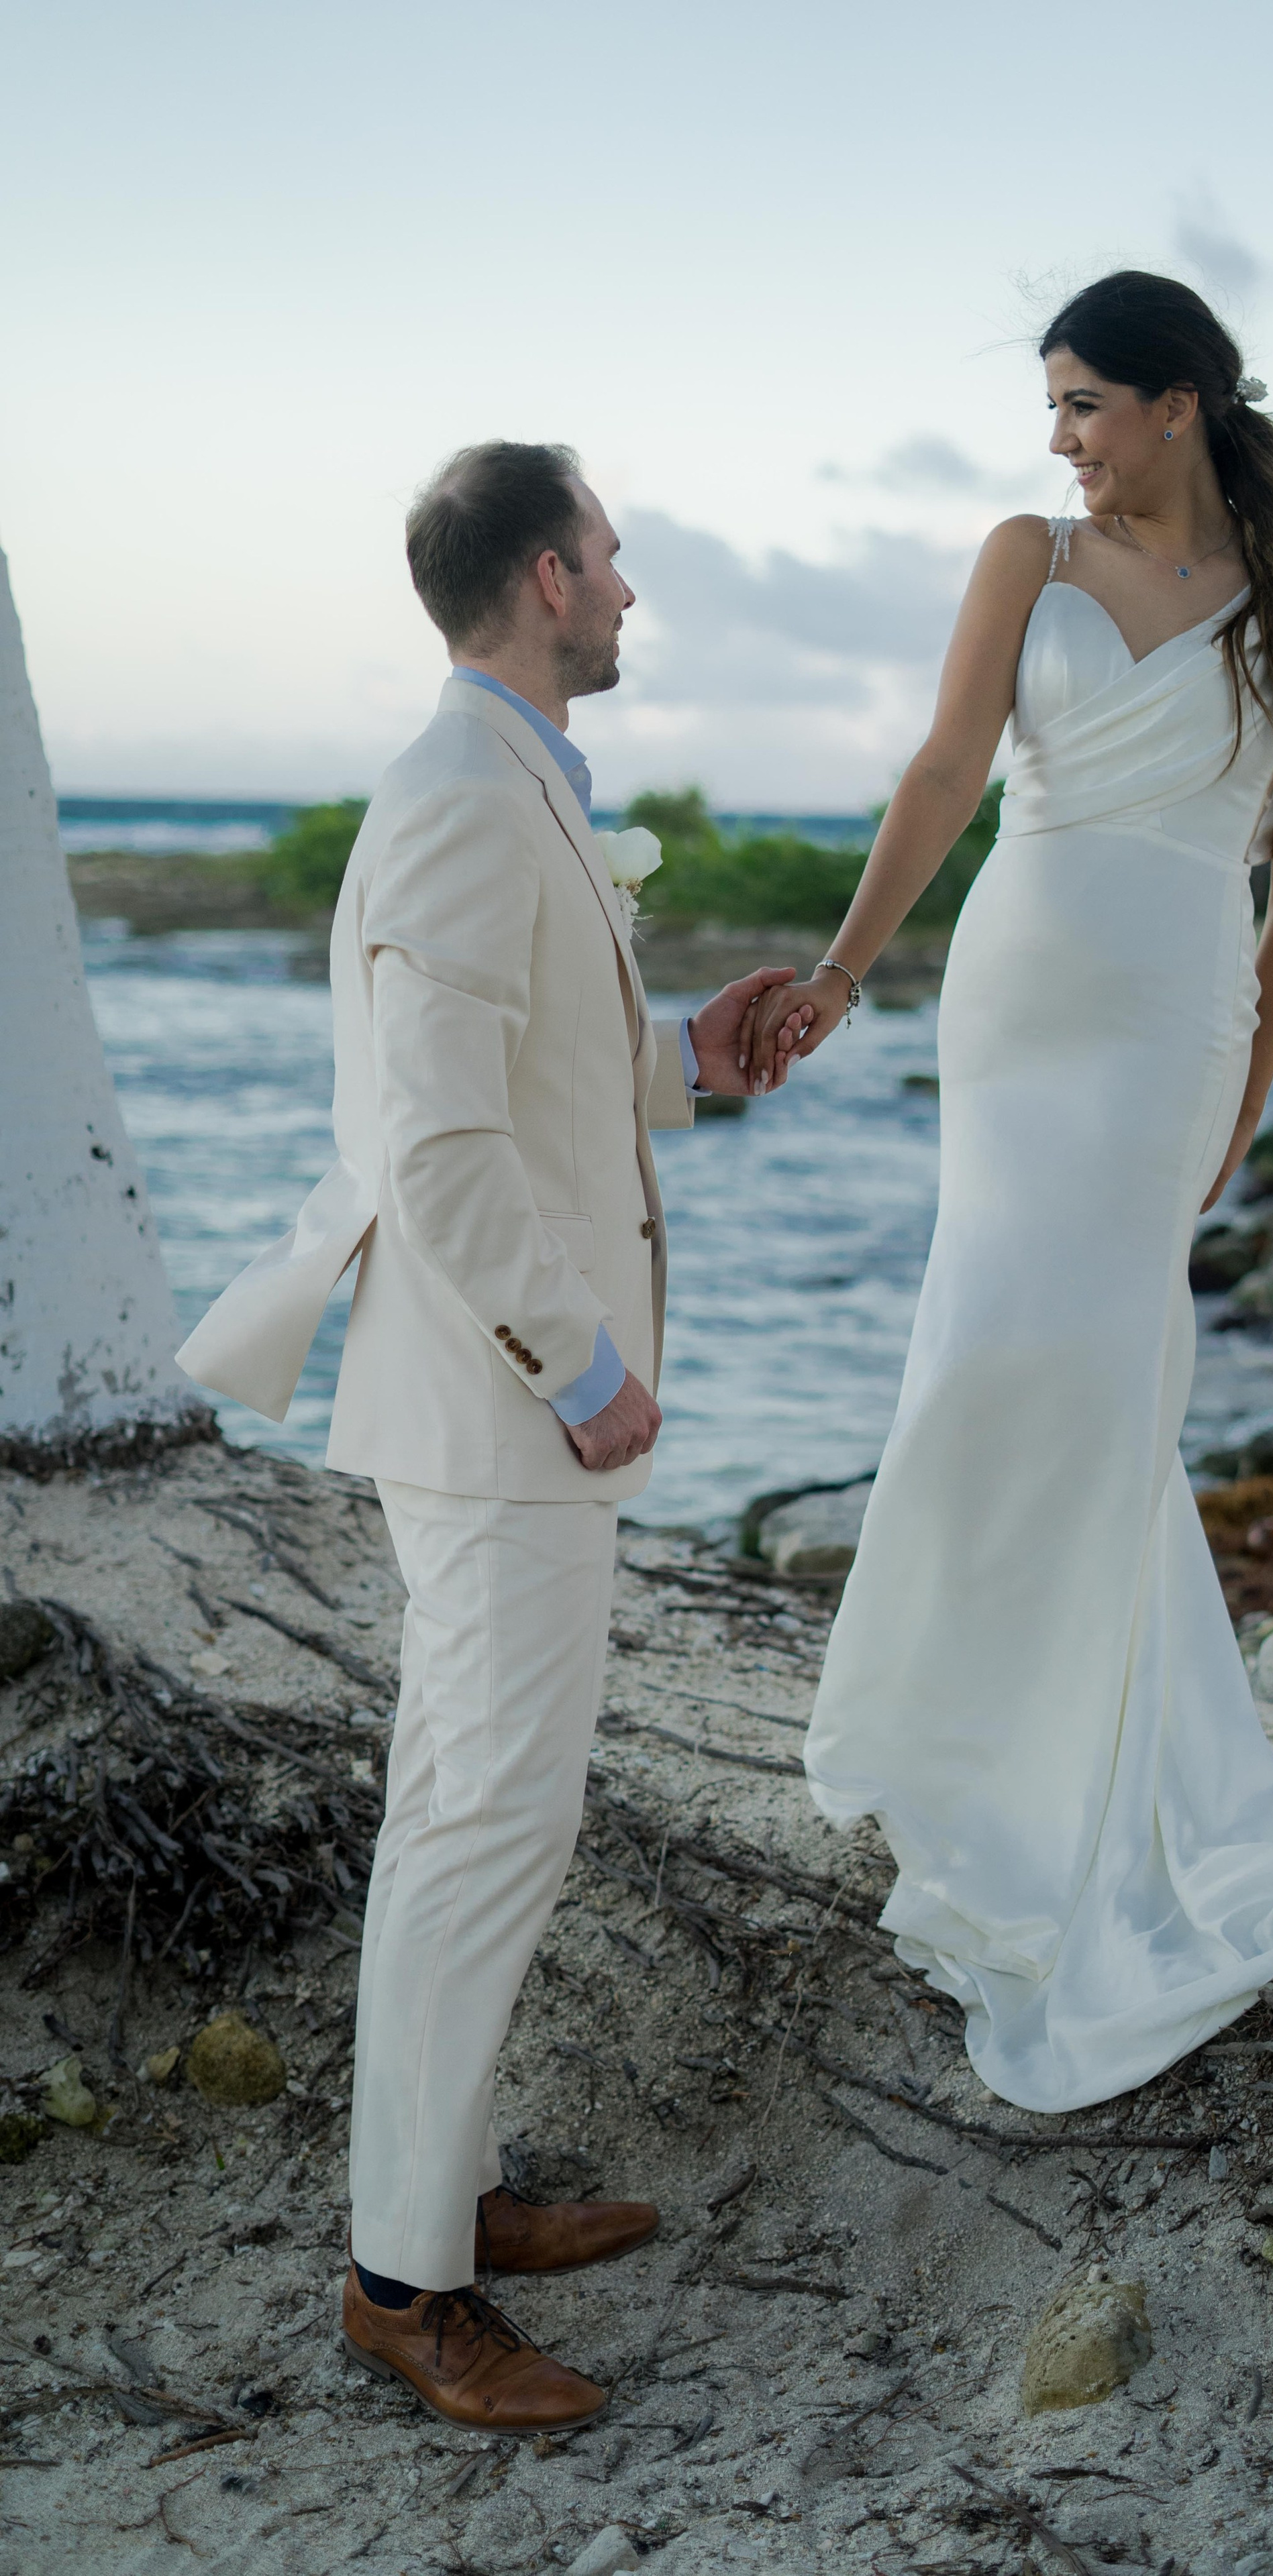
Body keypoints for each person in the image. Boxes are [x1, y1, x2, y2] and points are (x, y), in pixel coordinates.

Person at [747, 273, 1273, 2116]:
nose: (1057, 437)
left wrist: (1253, 1085)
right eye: (1053, 406)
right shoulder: (1026, 560)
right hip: (1020, 1003)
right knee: (991, 1352)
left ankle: (1087, 1774)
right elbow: (939, 774)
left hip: (1172, 1027)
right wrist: (837, 974)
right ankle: (955, 1740)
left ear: (1179, 401)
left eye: (1082, 403)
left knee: (1110, 1375)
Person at [176, 440, 809, 2428]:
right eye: (612, 558)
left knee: (462, 1815)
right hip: (494, 1408)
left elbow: (523, 1066)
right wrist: (580, 1365)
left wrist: (681, 1059)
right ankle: (403, 2290)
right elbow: (436, 1139)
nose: (629, 590)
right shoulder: (460, 795)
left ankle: (435, 2196)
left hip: (492, 1407)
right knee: (485, 1827)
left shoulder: (509, 781)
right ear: (546, 574)